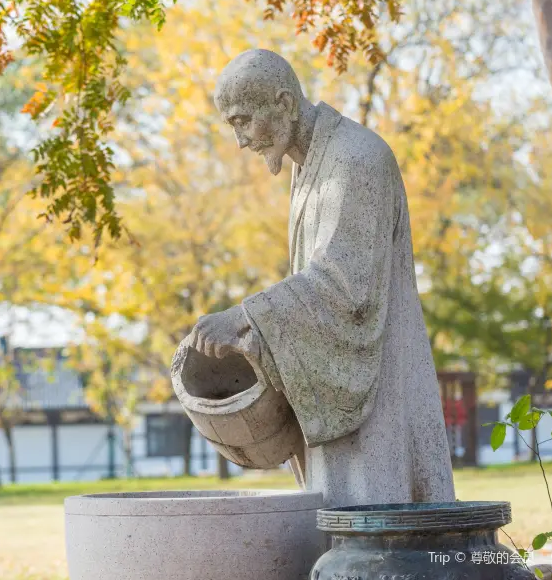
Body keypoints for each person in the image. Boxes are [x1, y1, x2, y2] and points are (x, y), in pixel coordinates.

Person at [188, 49, 456, 507]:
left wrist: (243, 317)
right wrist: (261, 338)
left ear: (285, 103)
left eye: (244, 121)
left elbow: (343, 286)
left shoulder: (355, 159)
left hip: (381, 388)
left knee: (384, 547)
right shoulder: (309, 164)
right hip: (350, 389)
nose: (241, 141)